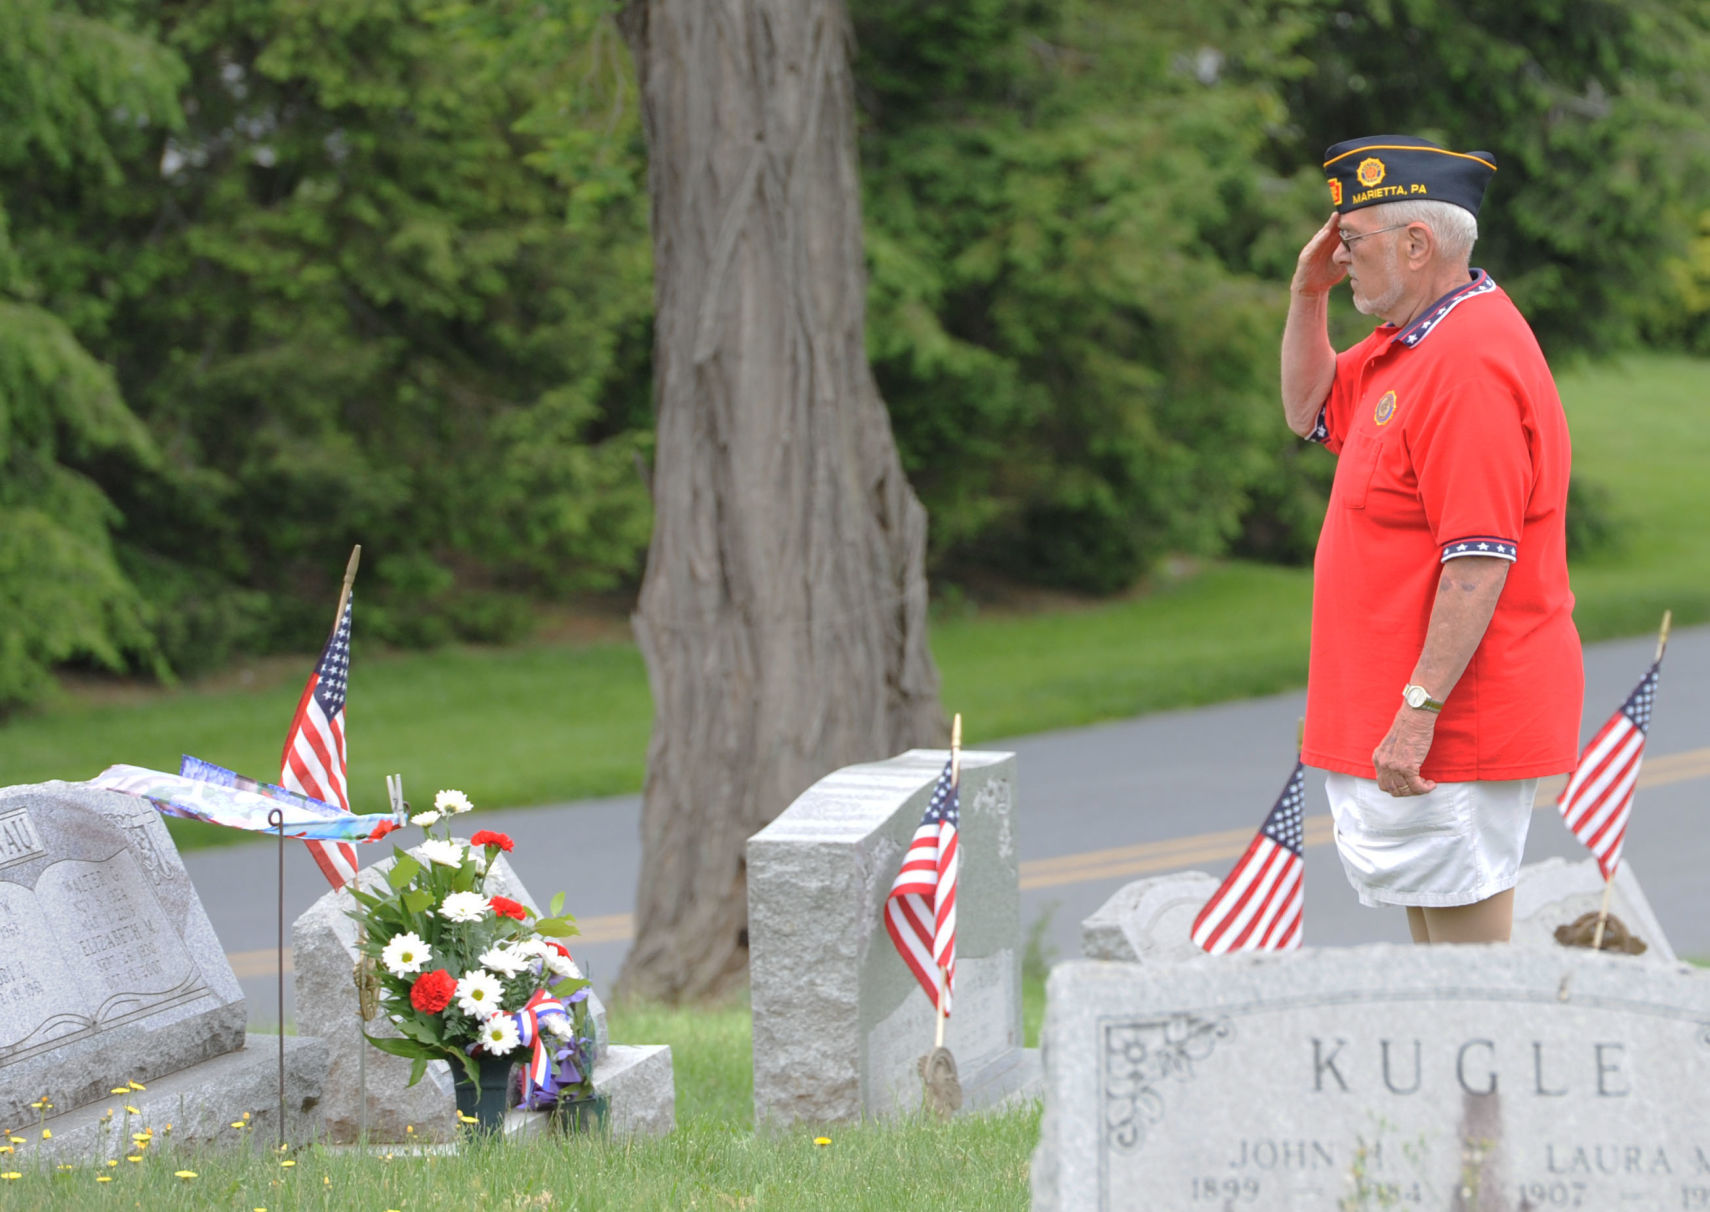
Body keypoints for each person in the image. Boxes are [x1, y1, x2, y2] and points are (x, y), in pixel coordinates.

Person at [1280, 134, 1583, 945]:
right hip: (1403, 713)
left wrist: (1418, 712)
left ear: (1417, 246)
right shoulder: (1408, 343)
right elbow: (1308, 410)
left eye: (1351, 242)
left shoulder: (1469, 360)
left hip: (1453, 720)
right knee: (1436, 973)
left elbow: (1479, 561)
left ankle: (1493, 1082)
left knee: (1469, 985)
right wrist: (1307, 295)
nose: (1339, 257)